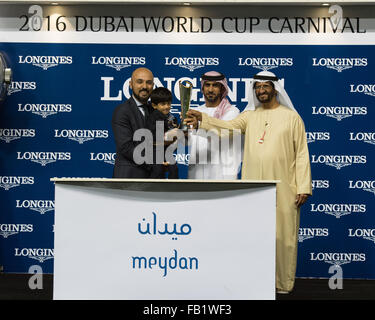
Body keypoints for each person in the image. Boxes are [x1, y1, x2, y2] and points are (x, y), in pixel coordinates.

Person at [185, 70, 312, 294]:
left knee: (284, 235)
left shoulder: (292, 117)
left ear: (275, 89)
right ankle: (256, 280)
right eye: (258, 87)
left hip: (285, 184)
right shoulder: (249, 116)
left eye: (266, 86)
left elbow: (301, 153)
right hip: (255, 184)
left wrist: (303, 186)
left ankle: (282, 284)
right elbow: (227, 127)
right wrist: (202, 118)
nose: (261, 90)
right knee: (254, 233)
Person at [188, 71, 242, 180]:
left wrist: (199, 125)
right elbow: (189, 140)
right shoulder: (196, 111)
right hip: (197, 174)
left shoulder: (232, 112)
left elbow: (222, 133)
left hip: (223, 175)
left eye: (215, 85)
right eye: (207, 85)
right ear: (202, 88)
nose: (211, 89)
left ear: (222, 88)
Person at [111, 67, 154, 178]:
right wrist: (156, 161)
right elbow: (126, 147)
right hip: (128, 177)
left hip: (152, 178)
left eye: (148, 83)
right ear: (130, 84)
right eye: (139, 82)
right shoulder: (122, 111)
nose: (144, 86)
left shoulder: (155, 111)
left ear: (153, 85)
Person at [146, 87, 179, 179]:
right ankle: (154, 190)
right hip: (154, 152)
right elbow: (159, 136)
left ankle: (173, 188)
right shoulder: (156, 115)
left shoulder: (169, 116)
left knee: (173, 169)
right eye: (163, 104)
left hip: (165, 151)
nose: (167, 106)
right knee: (158, 171)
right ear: (154, 105)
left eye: (169, 103)